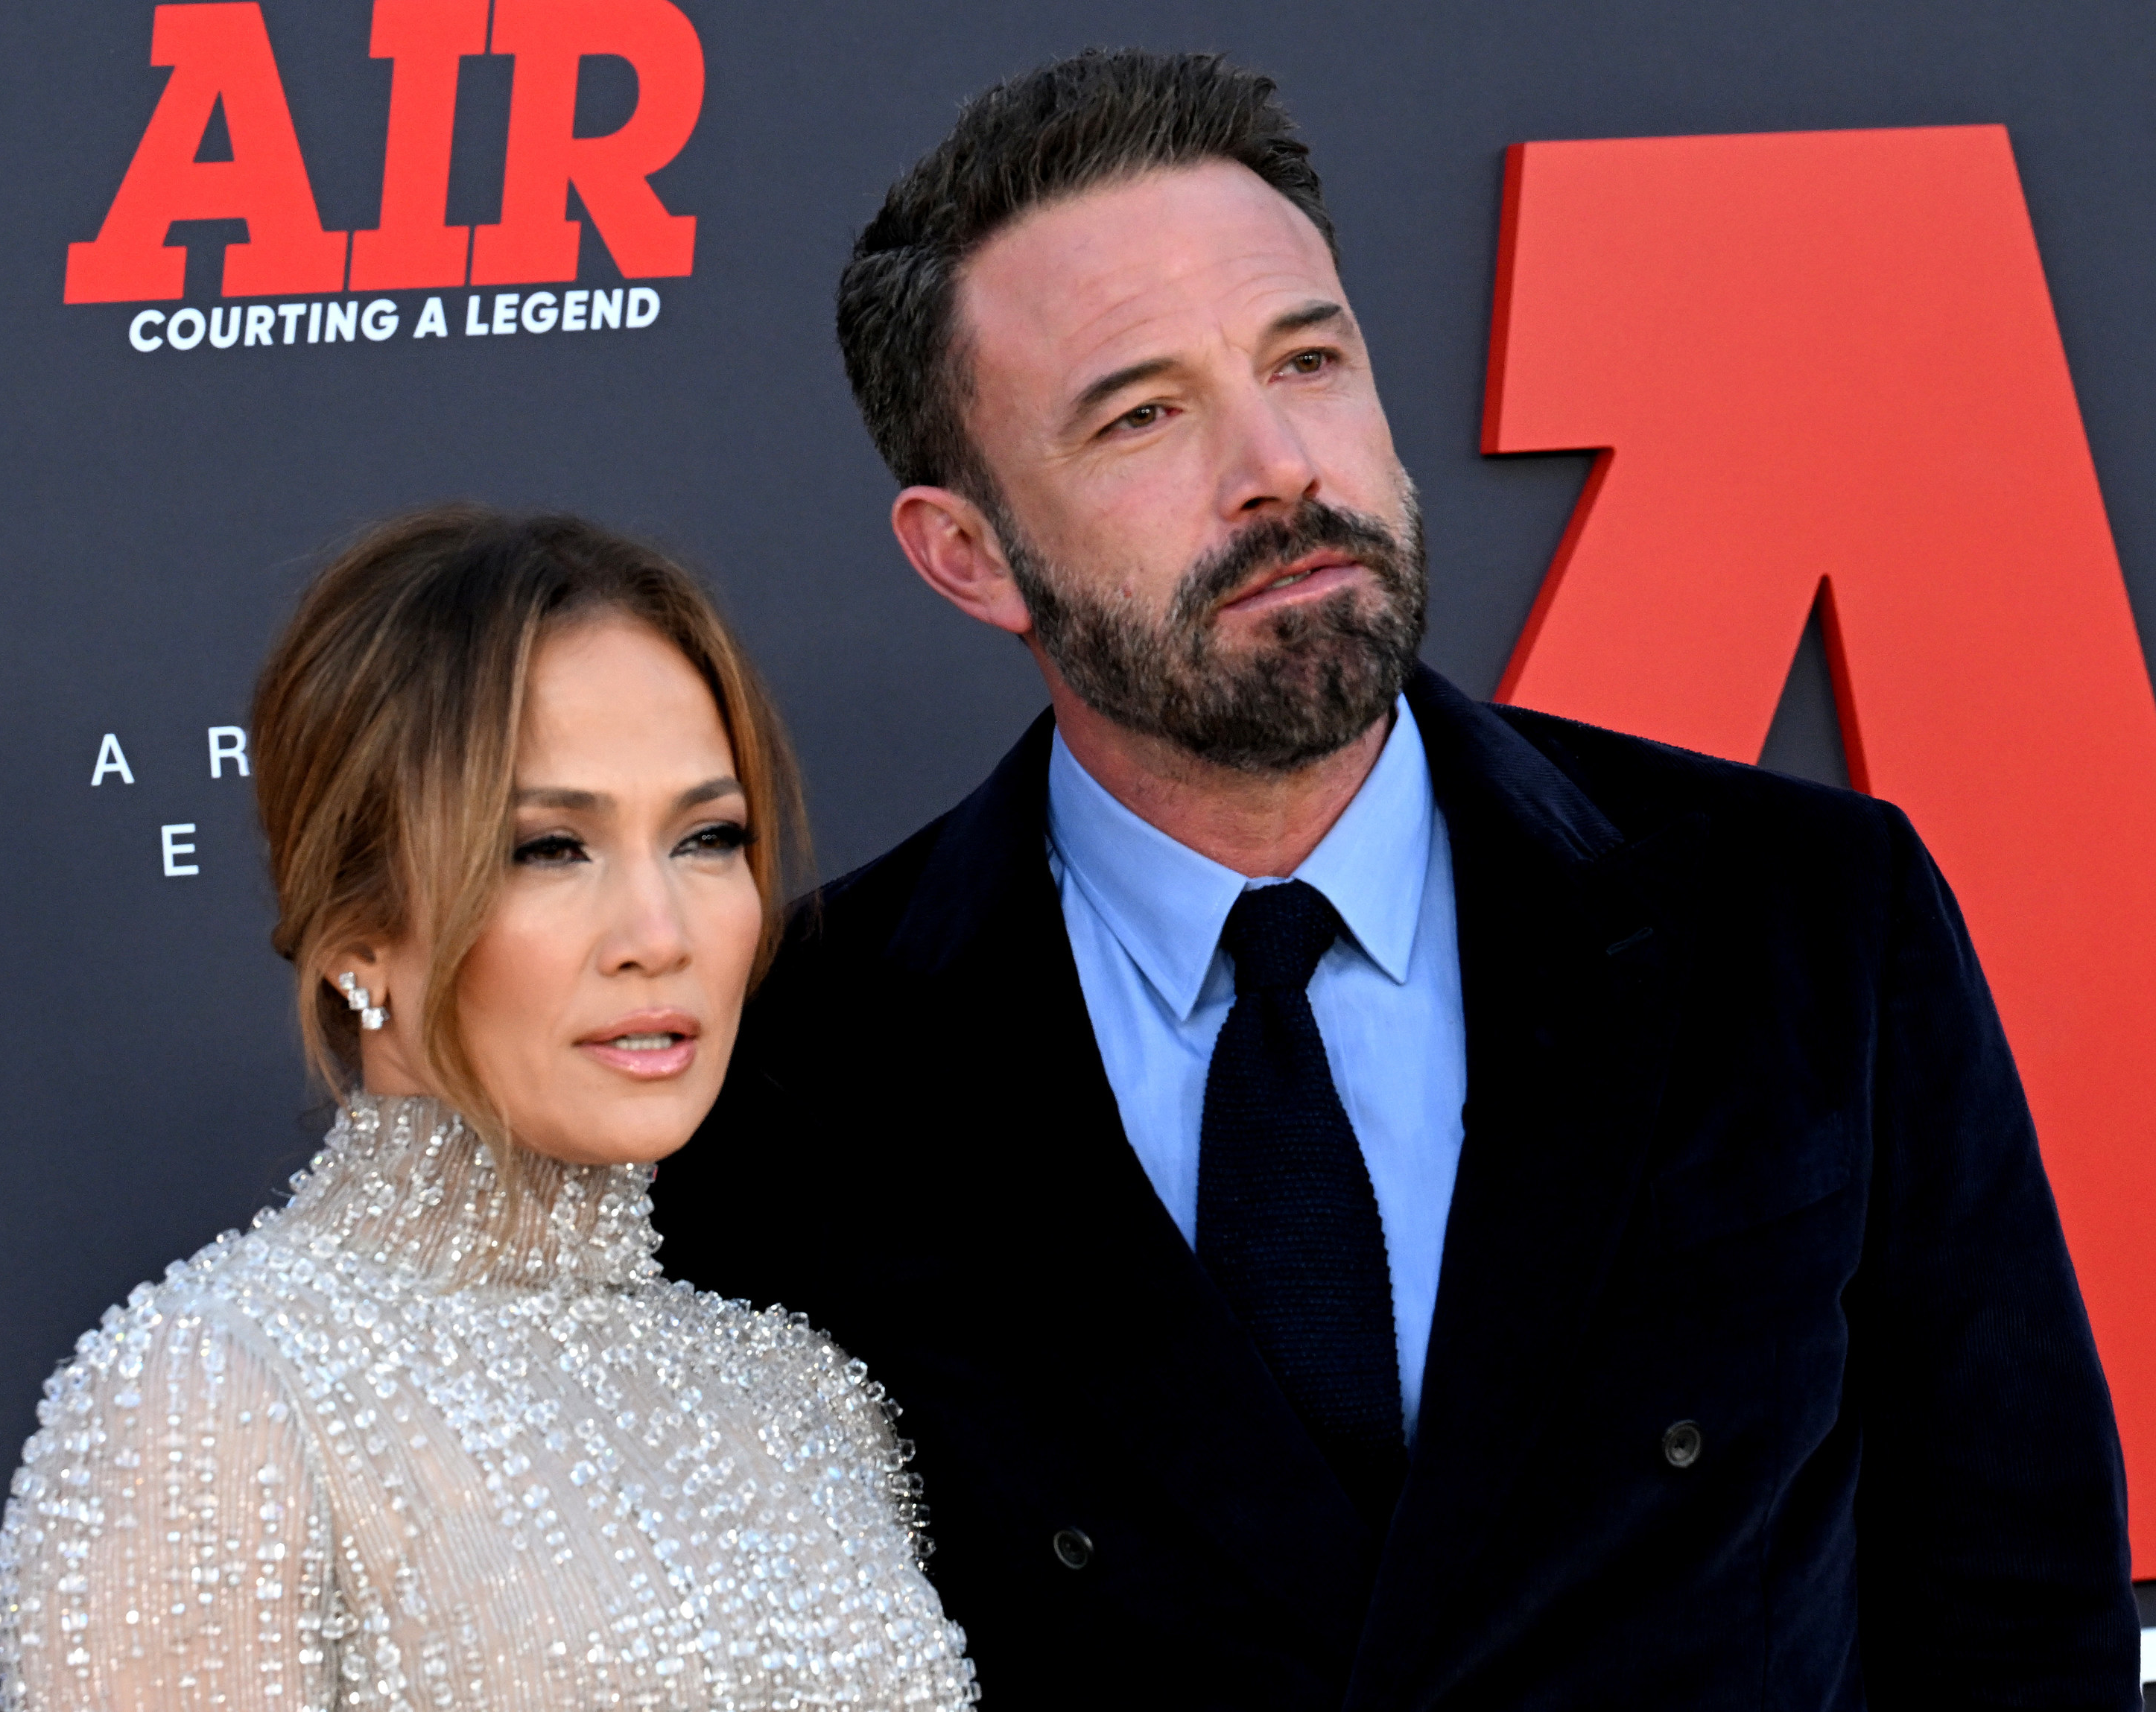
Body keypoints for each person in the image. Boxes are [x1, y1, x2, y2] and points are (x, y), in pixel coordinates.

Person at [653, 48, 2140, 1710]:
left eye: (1309, 359)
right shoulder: (795, 1071)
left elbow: (2023, 1621)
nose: (1279, 467)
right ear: (969, 553)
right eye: (1144, 413)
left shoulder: (1805, 921)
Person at [0, 507, 977, 1711]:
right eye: (551, 848)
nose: (658, 936)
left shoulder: (801, 1398)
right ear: (361, 938)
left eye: (708, 837)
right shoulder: (216, 1391)